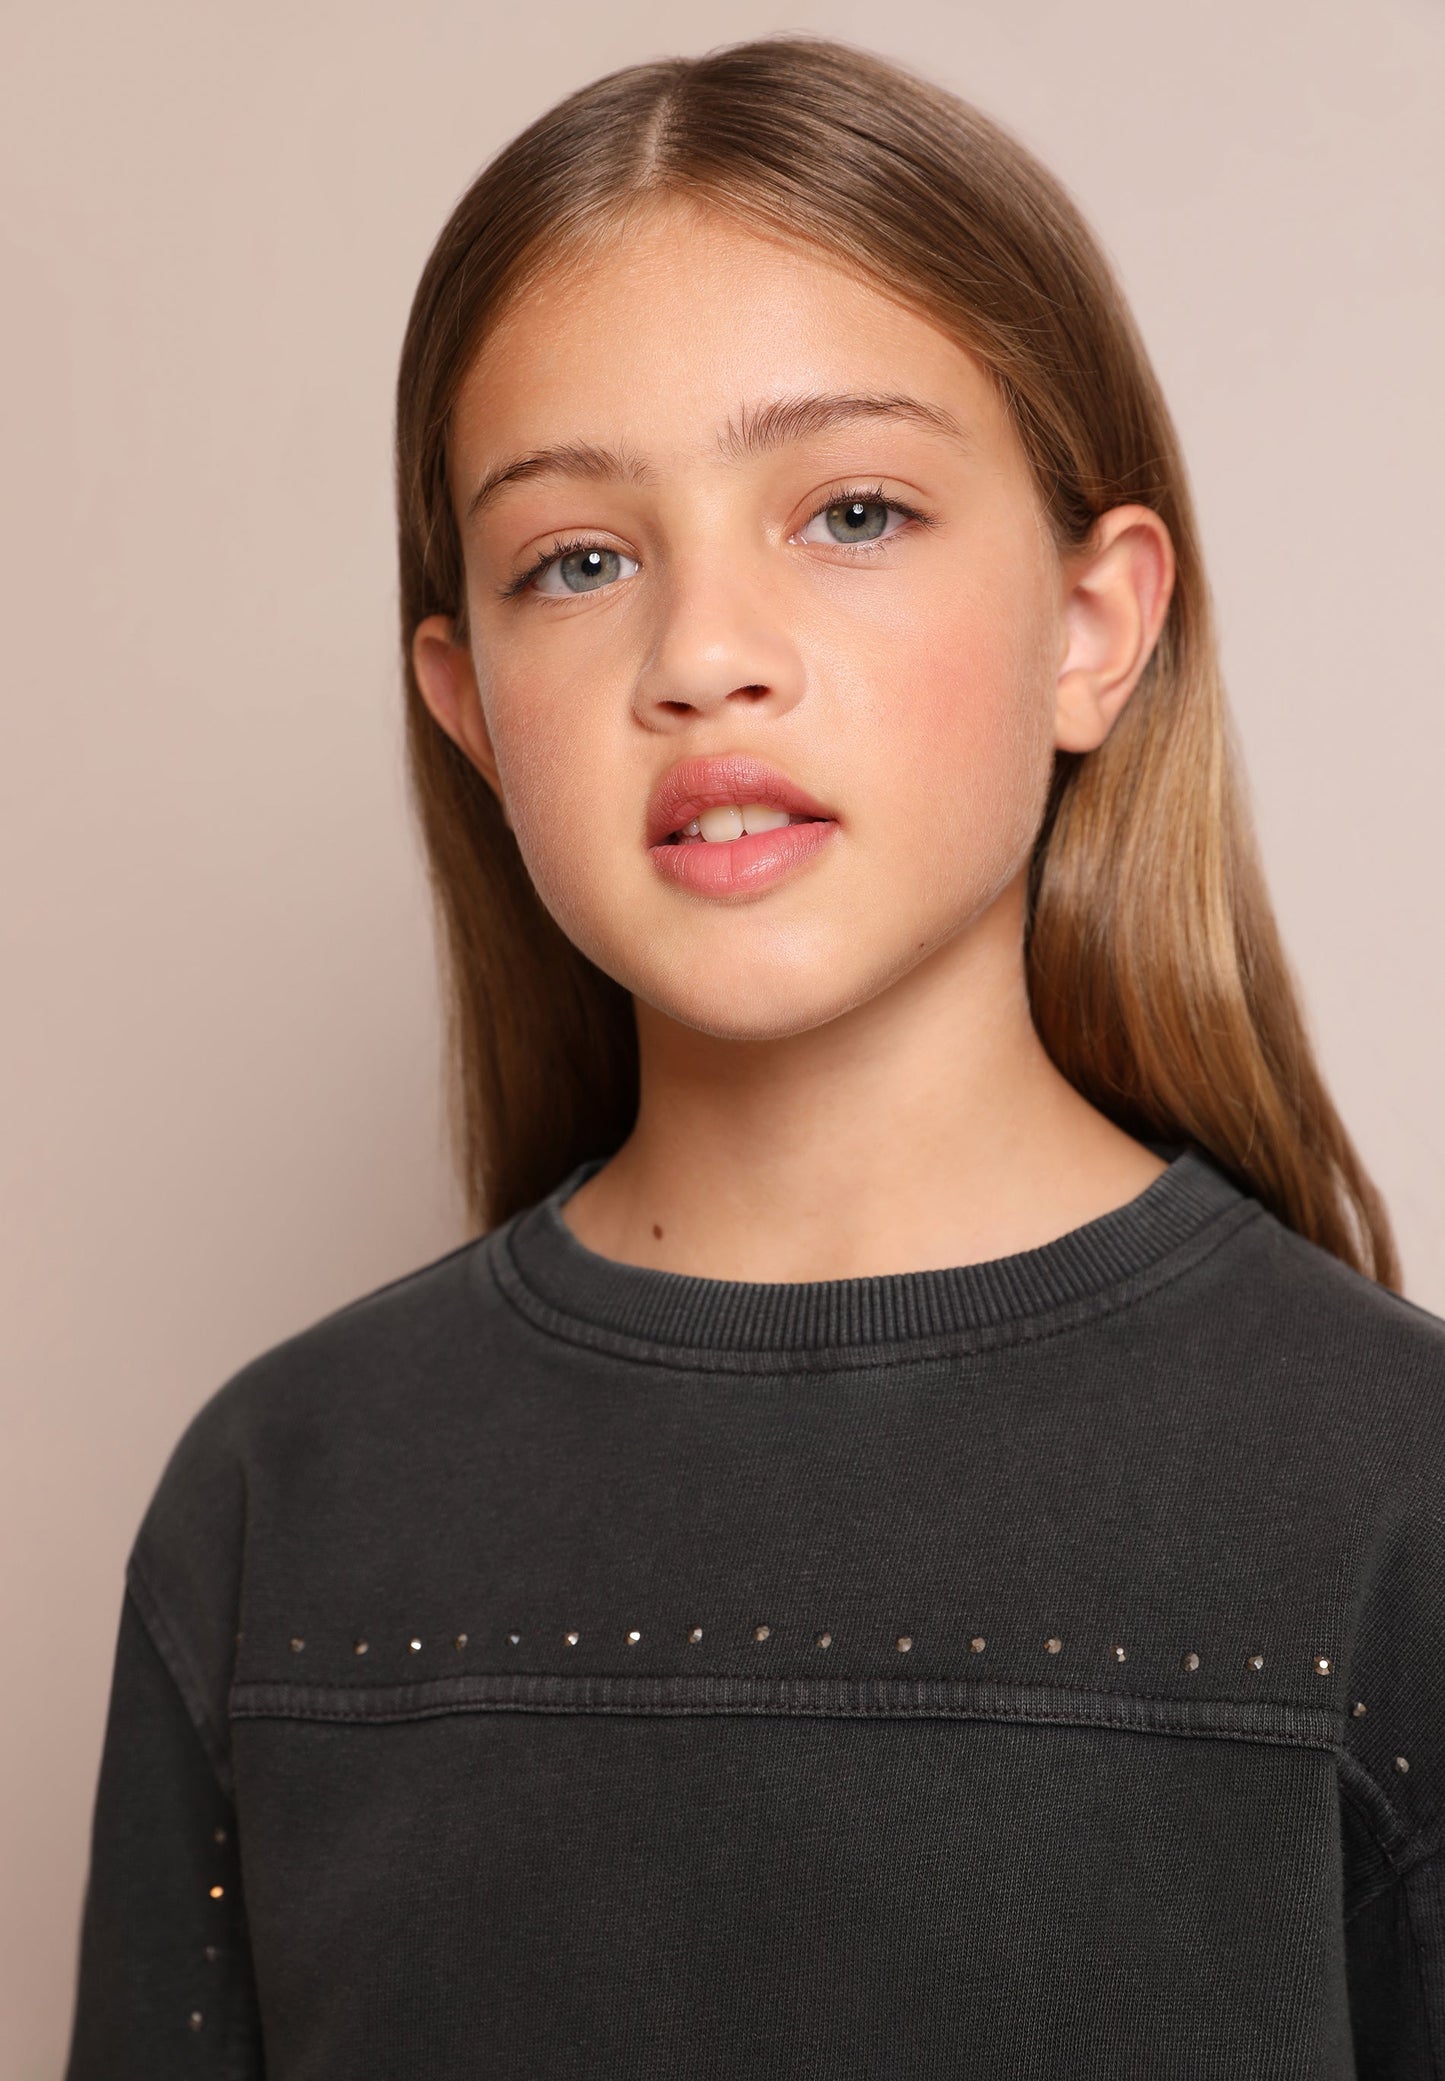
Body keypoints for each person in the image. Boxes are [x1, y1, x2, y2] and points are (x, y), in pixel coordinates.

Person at [64, 36, 1444, 2078]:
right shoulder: (280, 1511)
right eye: (577, 560)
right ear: (468, 702)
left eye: (852, 511)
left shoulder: (1395, 1496)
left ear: (1094, 622)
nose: (704, 653)